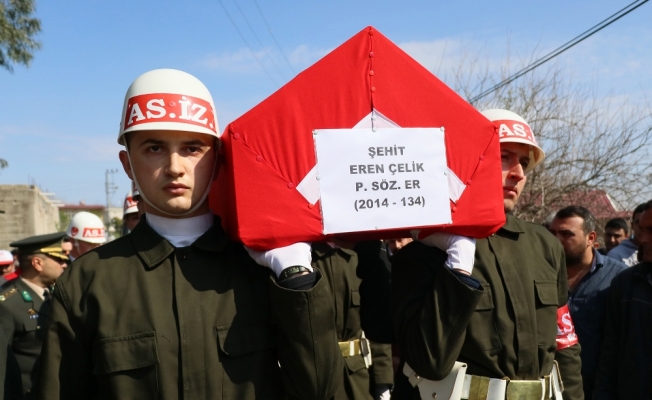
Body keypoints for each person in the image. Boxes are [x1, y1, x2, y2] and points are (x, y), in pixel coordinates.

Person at [35, 69, 341, 400]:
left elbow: (320, 389)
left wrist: (297, 283)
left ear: (218, 158)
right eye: (154, 148)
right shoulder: (88, 281)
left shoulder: (265, 270)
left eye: (192, 148)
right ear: (127, 165)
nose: (175, 167)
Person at [392, 109, 583, 400]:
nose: (519, 173)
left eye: (523, 162)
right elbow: (428, 360)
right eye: (505, 157)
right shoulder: (424, 254)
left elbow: (565, 344)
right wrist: (458, 266)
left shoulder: (545, 245)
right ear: (470, 160)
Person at [548, 206, 627, 399]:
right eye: (552, 233)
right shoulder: (540, 273)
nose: (556, 240)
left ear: (590, 238)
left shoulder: (618, 277)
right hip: (549, 385)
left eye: (566, 234)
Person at [594, 199, 652, 399]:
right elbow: (609, 353)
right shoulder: (626, 284)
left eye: (651, 231)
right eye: (641, 230)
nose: (643, 239)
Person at [0, 232, 68, 398]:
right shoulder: (7, 304)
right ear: (37, 263)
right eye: (58, 260)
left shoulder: (55, 295)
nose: (64, 265)